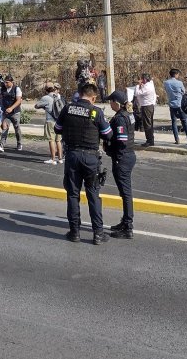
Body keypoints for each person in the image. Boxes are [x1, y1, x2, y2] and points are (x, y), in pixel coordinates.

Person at [54, 80, 112, 245]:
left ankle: (74, 232)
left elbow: (57, 129)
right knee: (93, 195)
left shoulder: (68, 108)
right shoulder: (95, 112)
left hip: (72, 156)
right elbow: (108, 134)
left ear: (80, 95)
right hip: (90, 158)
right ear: (93, 98)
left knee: (73, 194)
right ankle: (98, 234)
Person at [104, 90, 136, 239]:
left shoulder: (120, 118)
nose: (109, 104)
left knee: (126, 193)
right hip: (128, 156)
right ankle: (125, 221)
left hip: (122, 158)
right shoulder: (127, 114)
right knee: (125, 193)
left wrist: (109, 142)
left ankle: (128, 227)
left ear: (116, 103)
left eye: (111, 102)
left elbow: (122, 139)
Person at [34, 83, 64, 164]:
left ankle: (53, 159)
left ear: (46, 90)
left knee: (51, 140)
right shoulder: (58, 96)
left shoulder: (46, 98)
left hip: (50, 121)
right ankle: (60, 158)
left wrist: (43, 106)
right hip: (59, 121)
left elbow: (36, 106)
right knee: (58, 140)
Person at [164, 69, 187, 146]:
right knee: (184, 121)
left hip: (171, 104)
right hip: (180, 104)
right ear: (176, 74)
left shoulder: (166, 83)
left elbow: (166, 91)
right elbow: (183, 91)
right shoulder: (179, 83)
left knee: (174, 122)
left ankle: (177, 139)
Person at [0, 75, 23, 153]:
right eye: (5, 82)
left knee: (17, 128)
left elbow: (19, 100)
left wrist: (11, 108)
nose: (6, 84)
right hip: (6, 112)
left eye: (7, 82)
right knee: (5, 128)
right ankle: (1, 145)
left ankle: (19, 143)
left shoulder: (17, 89)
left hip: (15, 112)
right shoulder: (2, 88)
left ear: (12, 82)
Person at [134, 73, 157, 146]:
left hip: (146, 106)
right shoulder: (150, 83)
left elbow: (137, 93)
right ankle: (150, 139)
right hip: (150, 105)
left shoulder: (147, 87)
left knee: (147, 124)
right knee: (149, 123)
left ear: (144, 79)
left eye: (142, 79)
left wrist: (138, 85)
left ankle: (149, 140)